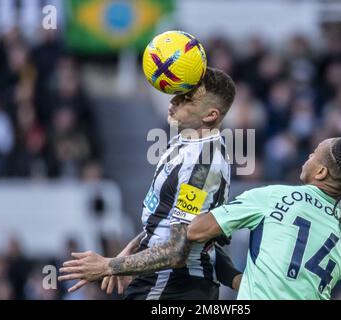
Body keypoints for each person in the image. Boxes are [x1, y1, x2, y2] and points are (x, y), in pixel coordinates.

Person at [59, 67, 242, 299]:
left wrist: (110, 265)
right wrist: (132, 250)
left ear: (210, 115)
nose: (174, 100)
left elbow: (177, 251)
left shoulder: (202, 166)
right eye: (178, 92)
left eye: (186, 98)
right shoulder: (185, 142)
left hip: (174, 287)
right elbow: (164, 221)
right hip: (161, 281)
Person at [187, 137, 341, 299]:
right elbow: (290, 284)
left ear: (321, 172)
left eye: (313, 154)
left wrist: (192, 189)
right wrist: (234, 277)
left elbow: (195, 231)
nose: (308, 157)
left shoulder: (274, 196)